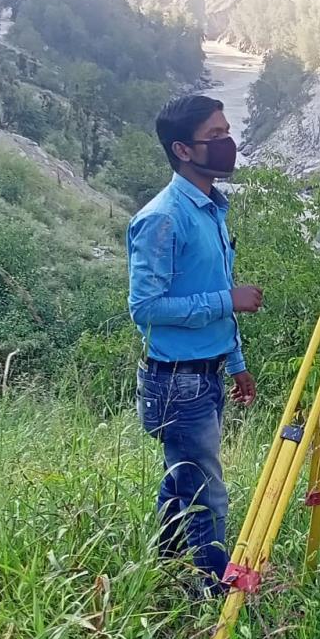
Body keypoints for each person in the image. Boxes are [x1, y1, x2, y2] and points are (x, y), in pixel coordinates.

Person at [126, 95, 262, 594]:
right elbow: (146, 307)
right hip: (176, 380)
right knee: (207, 494)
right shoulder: (163, 217)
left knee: (180, 478)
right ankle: (211, 597)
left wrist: (236, 362)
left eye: (229, 132)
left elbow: (211, 291)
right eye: (217, 136)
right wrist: (227, 300)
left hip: (205, 373)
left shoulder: (211, 210)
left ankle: (163, 568)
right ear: (183, 149)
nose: (228, 145)